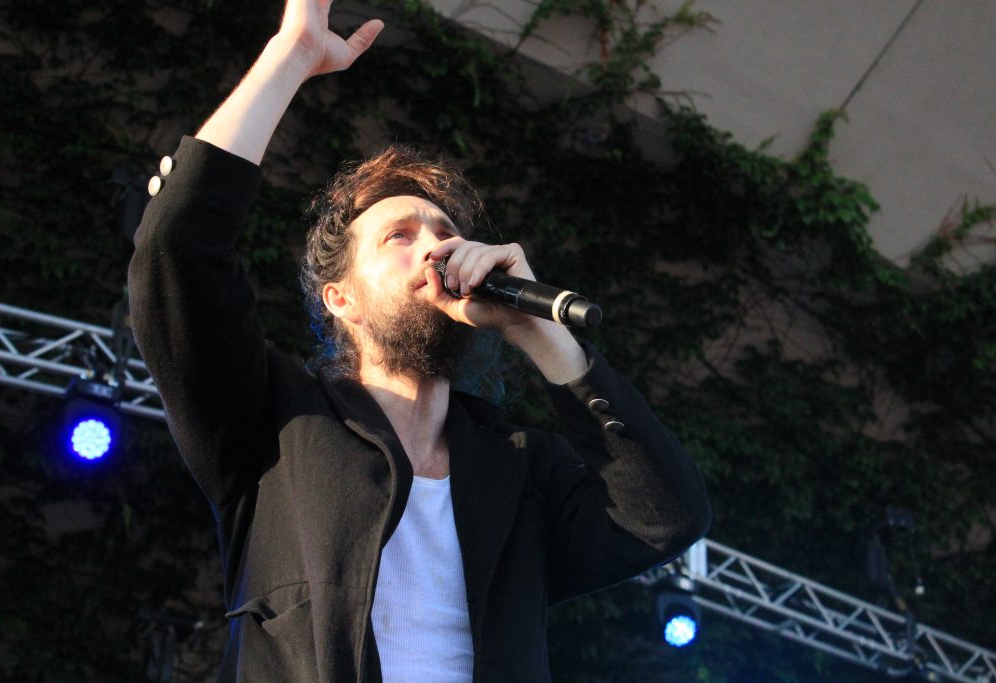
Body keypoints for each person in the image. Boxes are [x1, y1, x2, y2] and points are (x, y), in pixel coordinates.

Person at [127, 1, 712, 681]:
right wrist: (290, 57)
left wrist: (544, 337)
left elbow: (667, 515)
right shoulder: (273, 423)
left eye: (443, 232)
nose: (434, 249)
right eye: (398, 237)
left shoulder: (519, 469)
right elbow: (178, 248)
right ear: (338, 298)